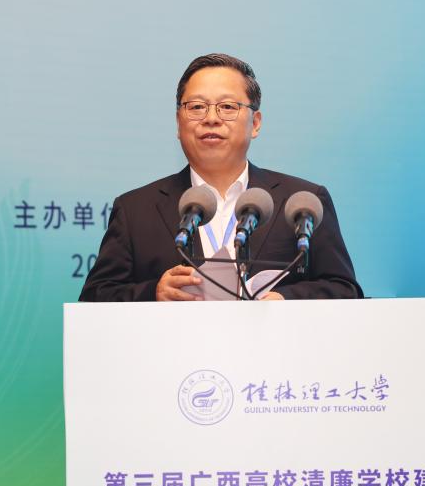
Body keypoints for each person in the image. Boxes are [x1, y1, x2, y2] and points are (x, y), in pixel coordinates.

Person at [78, 53, 362, 302]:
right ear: (178, 123)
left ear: (255, 123)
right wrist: (154, 292)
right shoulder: (135, 209)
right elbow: (94, 297)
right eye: (196, 107)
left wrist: (285, 300)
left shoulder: (303, 203)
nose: (211, 118)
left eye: (227, 107)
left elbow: (345, 289)